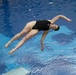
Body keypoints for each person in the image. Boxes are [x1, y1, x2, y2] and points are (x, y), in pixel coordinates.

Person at [5, 15, 71, 54]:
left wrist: (42, 47)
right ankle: (9, 42)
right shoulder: (51, 21)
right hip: (33, 24)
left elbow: (42, 40)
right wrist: (67, 19)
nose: (54, 26)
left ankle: (13, 50)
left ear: (53, 29)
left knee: (25, 39)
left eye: (55, 27)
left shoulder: (46, 31)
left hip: (36, 30)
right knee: (21, 33)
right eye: (55, 25)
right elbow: (59, 16)